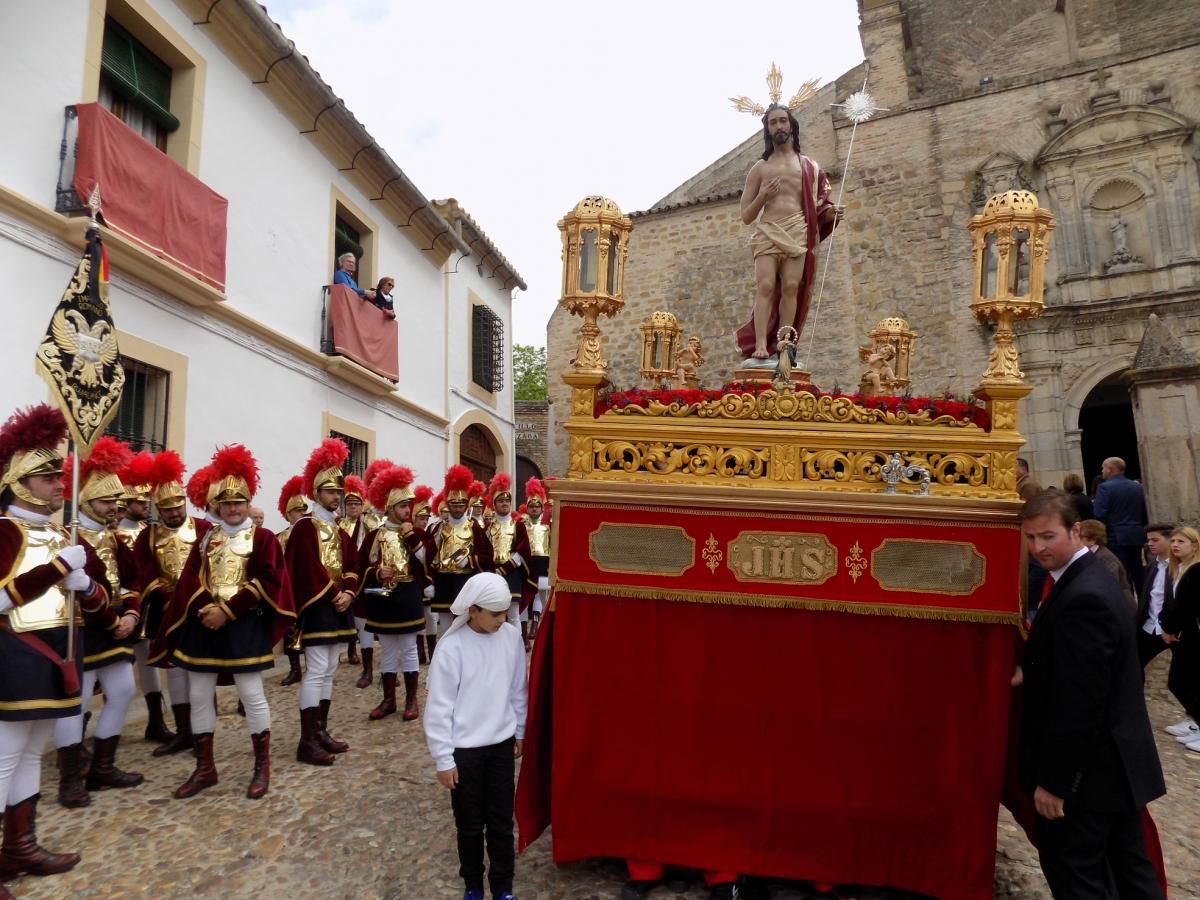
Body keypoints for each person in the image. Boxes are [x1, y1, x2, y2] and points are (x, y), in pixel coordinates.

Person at [1018, 491, 1164, 897]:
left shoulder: (1084, 596)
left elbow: (1080, 702)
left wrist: (1056, 782)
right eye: (1030, 538)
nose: (1038, 548)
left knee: (1079, 875)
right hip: (1113, 770)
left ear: (1076, 529)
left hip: (1090, 777)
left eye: (1048, 536)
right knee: (1131, 871)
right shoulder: (1084, 580)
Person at [0, 405, 115, 897]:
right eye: (47, 477)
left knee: (30, 754)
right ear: (20, 481)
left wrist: (87, 586)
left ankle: (20, 846)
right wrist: (52, 571)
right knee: (4, 757)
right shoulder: (4, 530)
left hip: (61, 650)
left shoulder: (67, 535)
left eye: (56, 476)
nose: (57, 484)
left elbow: (100, 609)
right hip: (14, 652)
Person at [153, 444, 294, 799]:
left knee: (252, 695)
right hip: (205, 626)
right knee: (200, 695)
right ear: (216, 505)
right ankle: (205, 768)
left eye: (239, 502)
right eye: (227, 503)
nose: (233, 508)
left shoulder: (262, 538)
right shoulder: (207, 538)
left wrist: (228, 611)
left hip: (243, 625)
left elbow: (269, 580)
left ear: (248, 503)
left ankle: (261, 767)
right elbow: (191, 580)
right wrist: (206, 609)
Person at [52, 436, 144, 808]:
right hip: (83, 629)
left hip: (115, 626)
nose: (113, 507)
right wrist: (113, 619)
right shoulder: (68, 538)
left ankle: (102, 766)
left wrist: (133, 613)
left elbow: (132, 579)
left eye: (115, 502)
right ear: (86, 499)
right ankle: (70, 778)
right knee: (74, 704)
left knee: (122, 691)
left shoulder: (115, 537)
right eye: (106, 501)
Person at [424, 573, 526, 900]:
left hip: (499, 747)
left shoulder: (510, 638)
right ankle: (472, 884)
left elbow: (517, 690)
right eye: (494, 613)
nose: (502, 619)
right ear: (473, 610)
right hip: (464, 751)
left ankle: (503, 887)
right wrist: (443, 758)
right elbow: (439, 708)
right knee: (469, 825)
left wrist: (520, 730)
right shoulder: (451, 648)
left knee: (500, 822)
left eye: (505, 612)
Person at [735, 103, 838, 361]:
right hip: (768, 231)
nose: (779, 126)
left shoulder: (810, 167)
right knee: (766, 286)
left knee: (792, 287)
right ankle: (760, 344)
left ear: (791, 125)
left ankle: (785, 343)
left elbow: (817, 207)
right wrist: (763, 196)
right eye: (773, 123)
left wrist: (830, 214)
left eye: (782, 120)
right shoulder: (760, 168)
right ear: (767, 130)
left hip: (797, 231)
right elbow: (747, 216)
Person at [285, 438, 360, 766]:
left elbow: (353, 564)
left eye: (338, 493)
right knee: (316, 670)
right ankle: (306, 740)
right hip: (317, 607)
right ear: (316, 493)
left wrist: (349, 593)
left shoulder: (340, 530)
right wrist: (333, 593)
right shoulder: (304, 527)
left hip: (338, 606)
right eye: (330, 492)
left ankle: (321, 731)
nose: (336, 497)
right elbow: (306, 567)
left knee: (329, 669)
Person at [134, 450, 212, 757]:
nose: (174, 513)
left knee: (199, 672)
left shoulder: (203, 529)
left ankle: (203, 734)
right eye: (167, 509)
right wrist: (166, 599)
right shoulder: (148, 536)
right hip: (165, 612)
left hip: (198, 609)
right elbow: (145, 573)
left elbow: (211, 569)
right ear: (159, 509)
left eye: (178, 507)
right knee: (176, 671)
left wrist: (196, 601)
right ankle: (183, 732)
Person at [115, 450, 178, 748]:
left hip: (147, 605)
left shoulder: (151, 533)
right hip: (116, 605)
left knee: (148, 661)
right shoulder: (112, 532)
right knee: (106, 670)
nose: (145, 505)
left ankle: (156, 719)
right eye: (139, 501)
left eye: (145, 500)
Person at [361, 464, 429, 721]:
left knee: (409, 648)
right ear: (390, 508)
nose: (407, 511)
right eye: (402, 506)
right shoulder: (375, 536)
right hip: (384, 598)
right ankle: (389, 698)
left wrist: (411, 537)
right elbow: (362, 566)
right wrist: (377, 573)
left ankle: (411, 699)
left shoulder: (415, 533)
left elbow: (426, 561)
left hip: (408, 594)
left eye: (408, 506)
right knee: (388, 650)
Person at [432, 466, 493, 635]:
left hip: (466, 580)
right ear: (448, 505)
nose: (457, 509)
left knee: (465, 623)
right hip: (443, 580)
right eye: (454, 505)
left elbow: (488, 554)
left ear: (466, 505)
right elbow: (430, 555)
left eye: (461, 505)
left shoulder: (474, 527)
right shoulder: (438, 528)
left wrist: (471, 560)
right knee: (445, 626)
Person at [1161, 527, 1200, 754]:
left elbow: (1185, 606)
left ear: (1194, 545)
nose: (1175, 545)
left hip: (1192, 635)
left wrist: (1169, 628)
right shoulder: (1178, 569)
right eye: (1173, 541)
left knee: (1181, 682)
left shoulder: (1195, 571)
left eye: (1181, 541)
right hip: (1185, 633)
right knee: (1184, 682)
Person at [484, 474, 531, 640]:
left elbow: (522, 552)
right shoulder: (488, 528)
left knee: (513, 615)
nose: (505, 503)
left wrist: (505, 569)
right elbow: (485, 552)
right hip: (493, 574)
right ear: (494, 504)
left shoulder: (518, 526)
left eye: (507, 501)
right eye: (501, 501)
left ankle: (516, 645)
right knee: (495, 613)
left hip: (511, 574)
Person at [1094, 457, 1148, 588]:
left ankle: (1128, 605)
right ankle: (1143, 604)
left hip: (1115, 537)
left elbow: (1099, 514)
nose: (1102, 471)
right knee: (1138, 572)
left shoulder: (1104, 488)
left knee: (1122, 575)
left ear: (1110, 469)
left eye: (1103, 468)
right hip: (1136, 535)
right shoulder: (1137, 487)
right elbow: (1144, 512)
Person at [275, 475, 308, 687]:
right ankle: (295, 668)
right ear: (288, 514)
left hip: (308, 588)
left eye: (304, 510)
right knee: (290, 631)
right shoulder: (281, 537)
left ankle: (312, 669)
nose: (302, 514)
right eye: (298, 511)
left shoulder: (310, 532)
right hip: (289, 589)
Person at [339, 475, 371, 685]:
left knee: (366, 620)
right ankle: (350, 648)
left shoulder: (369, 523)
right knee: (348, 616)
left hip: (366, 576)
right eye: (349, 504)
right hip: (344, 576)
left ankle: (369, 669)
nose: (353, 507)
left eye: (356, 503)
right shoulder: (338, 524)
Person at [1137, 524, 1176, 672]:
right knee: (1133, 667)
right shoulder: (1151, 567)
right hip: (1149, 628)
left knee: (1179, 682)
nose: (1150, 544)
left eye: (1155, 540)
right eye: (1148, 540)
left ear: (1170, 540)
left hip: (1173, 632)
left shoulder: (1183, 567)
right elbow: (1146, 600)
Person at [1078, 520, 1135, 609]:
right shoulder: (1092, 554)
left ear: (1092, 540)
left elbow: (1109, 586)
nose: (1076, 540)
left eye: (1080, 537)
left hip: (1120, 607)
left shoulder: (1105, 558)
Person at [521, 478, 551, 638]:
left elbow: (553, 544)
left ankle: (535, 623)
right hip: (527, 562)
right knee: (526, 594)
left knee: (539, 593)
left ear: (541, 508)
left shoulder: (547, 525)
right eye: (531, 506)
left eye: (537, 506)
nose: (534, 509)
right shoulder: (521, 524)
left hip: (543, 562)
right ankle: (524, 628)